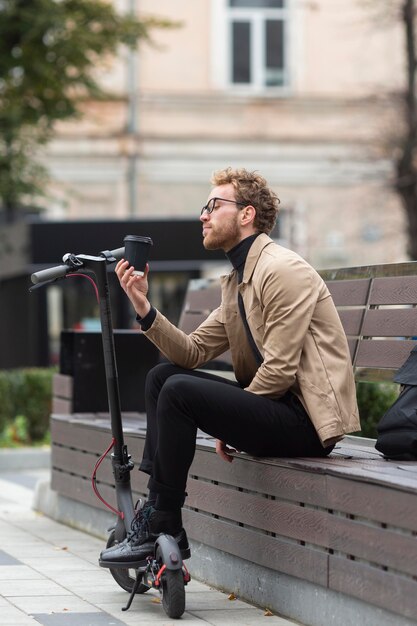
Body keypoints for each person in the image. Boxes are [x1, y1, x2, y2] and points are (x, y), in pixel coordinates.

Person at [99, 167, 360, 568]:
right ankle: (157, 510)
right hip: (273, 409)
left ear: (246, 214)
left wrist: (232, 418)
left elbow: (281, 367)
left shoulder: (282, 270)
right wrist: (142, 304)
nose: (203, 215)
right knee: (162, 378)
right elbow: (191, 352)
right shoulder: (239, 280)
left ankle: (160, 519)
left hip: (306, 422)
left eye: (213, 206)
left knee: (180, 391)